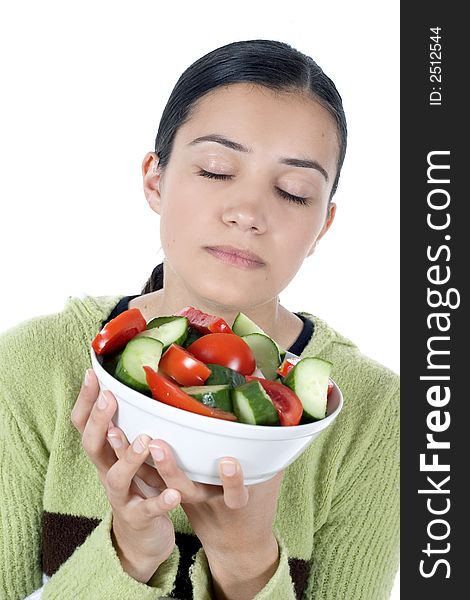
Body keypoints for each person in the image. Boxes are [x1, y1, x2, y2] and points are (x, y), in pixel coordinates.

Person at [0, 39, 399, 600]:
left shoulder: (374, 412)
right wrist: (129, 552)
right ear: (154, 179)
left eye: (293, 191)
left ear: (323, 226)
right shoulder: (32, 365)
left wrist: (247, 562)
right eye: (216, 170)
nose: (248, 213)